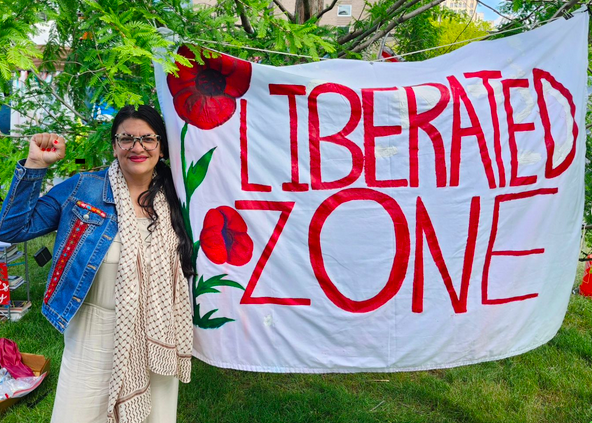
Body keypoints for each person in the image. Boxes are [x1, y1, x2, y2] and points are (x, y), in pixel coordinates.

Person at [0, 105, 194, 423]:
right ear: (114, 145)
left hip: (158, 332)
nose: (137, 147)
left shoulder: (180, 194)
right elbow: (12, 229)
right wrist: (35, 164)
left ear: (161, 145)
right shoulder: (85, 188)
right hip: (94, 328)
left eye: (148, 138)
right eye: (127, 138)